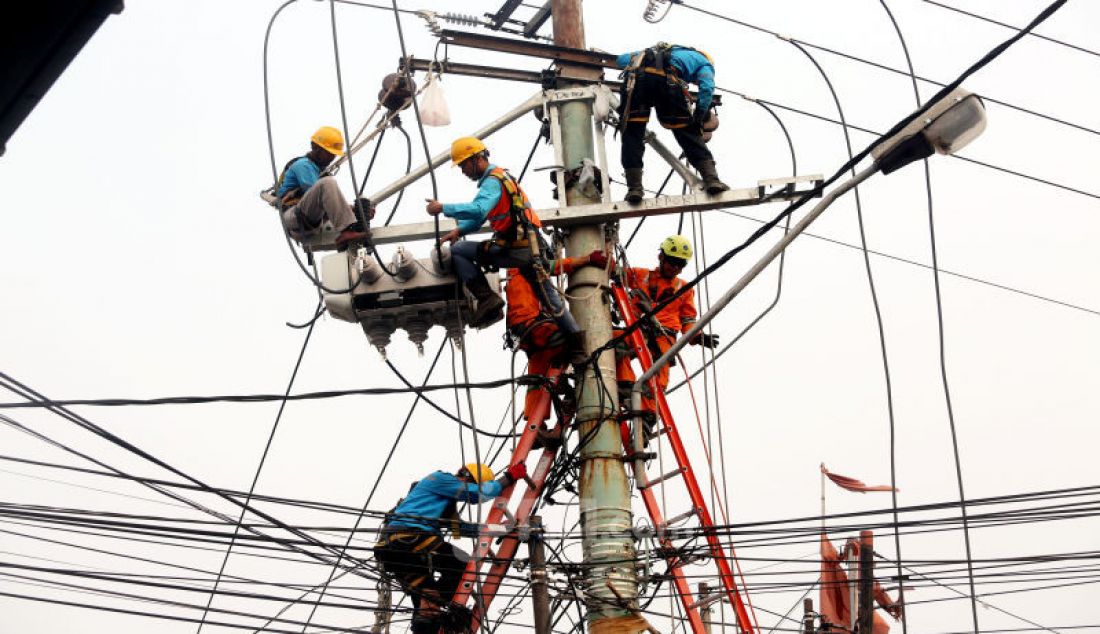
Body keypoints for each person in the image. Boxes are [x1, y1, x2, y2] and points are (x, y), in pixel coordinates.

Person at [425, 137, 582, 344]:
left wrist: (443, 208)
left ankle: (487, 299)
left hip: (514, 249)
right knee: (549, 298)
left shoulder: (492, 183)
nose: (463, 171)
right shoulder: (502, 177)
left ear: (477, 158)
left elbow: (479, 209)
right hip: (530, 249)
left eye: (464, 164)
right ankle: (578, 343)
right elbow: (484, 216)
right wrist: (460, 230)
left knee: (459, 250)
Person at [373, 461, 527, 634]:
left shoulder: (443, 502)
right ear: (467, 477)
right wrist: (508, 478)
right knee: (461, 565)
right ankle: (445, 609)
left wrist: (499, 530)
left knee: (427, 602)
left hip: (397, 551)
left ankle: (432, 622)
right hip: (409, 539)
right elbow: (477, 495)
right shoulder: (440, 479)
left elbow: (463, 528)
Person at [617, 235, 719, 418]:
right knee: (616, 344)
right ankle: (625, 384)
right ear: (661, 258)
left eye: (681, 264)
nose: (676, 268)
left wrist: (698, 336)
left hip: (665, 337)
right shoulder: (641, 276)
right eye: (673, 262)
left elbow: (688, 320)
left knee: (658, 381)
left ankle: (647, 418)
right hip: (639, 329)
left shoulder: (684, 288)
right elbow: (614, 272)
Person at [615, 43, 730, 203]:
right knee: (687, 133)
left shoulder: (651, 53)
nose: (694, 83)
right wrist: (699, 114)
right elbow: (707, 89)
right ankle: (712, 180)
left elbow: (620, 60)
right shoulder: (704, 63)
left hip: (636, 84)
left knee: (632, 135)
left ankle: (634, 189)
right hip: (666, 84)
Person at [506, 249, 608, 421]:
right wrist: (587, 259)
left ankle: (535, 424)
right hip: (532, 325)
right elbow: (556, 266)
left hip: (525, 333)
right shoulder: (526, 263)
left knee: (538, 376)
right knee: (568, 337)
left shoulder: (514, 270)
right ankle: (564, 384)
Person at [275, 126, 372, 249]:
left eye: (334, 154)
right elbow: (316, 194)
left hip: (311, 221)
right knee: (327, 183)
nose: (332, 158)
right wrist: (352, 210)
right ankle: (346, 231)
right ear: (316, 148)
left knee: (328, 183)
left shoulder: (319, 171)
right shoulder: (303, 165)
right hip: (294, 216)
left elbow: (330, 204)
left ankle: (347, 234)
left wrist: (361, 212)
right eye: (329, 153)